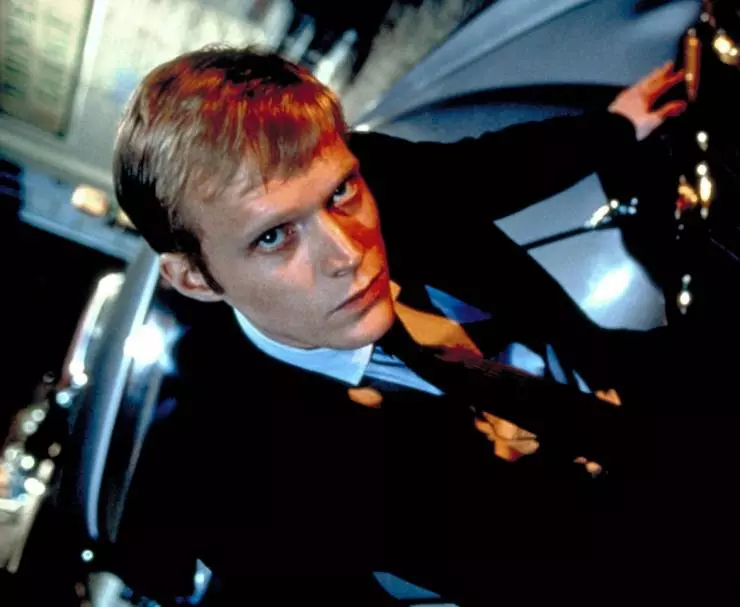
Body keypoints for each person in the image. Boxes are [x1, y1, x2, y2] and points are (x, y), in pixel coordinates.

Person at [107, 47, 687, 604]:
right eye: (273, 236)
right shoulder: (260, 490)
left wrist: (613, 128)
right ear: (195, 279)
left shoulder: (373, 174)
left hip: (626, 388)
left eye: (340, 193)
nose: (347, 253)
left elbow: (482, 172)